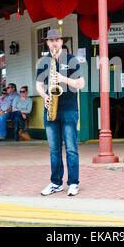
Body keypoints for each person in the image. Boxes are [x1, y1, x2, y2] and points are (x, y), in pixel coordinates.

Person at [36, 29, 85, 196]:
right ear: (47, 43)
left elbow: (81, 83)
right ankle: (56, 182)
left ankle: (73, 183)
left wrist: (63, 79)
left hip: (69, 109)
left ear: (61, 41)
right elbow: (39, 85)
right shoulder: (43, 62)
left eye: (57, 40)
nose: (54, 43)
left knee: (71, 148)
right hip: (50, 109)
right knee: (54, 149)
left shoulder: (71, 60)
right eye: (51, 40)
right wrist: (43, 96)